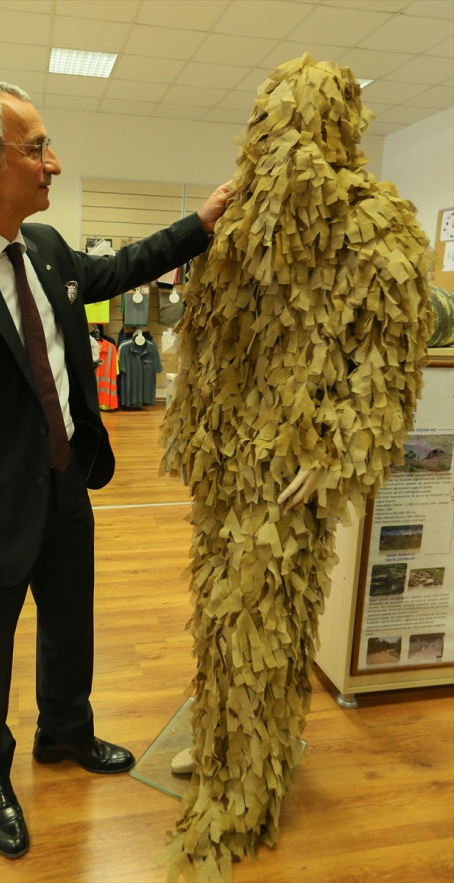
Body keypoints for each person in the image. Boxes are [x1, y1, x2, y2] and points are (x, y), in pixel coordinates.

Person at [0, 77, 233, 860]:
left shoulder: (46, 249)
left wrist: (199, 224)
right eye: (37, 148)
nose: (54, 164)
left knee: (72, 627)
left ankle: (65, 732)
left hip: (67, 485)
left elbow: (125, 268)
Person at [159, 55, 432, 881]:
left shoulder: (377, 223)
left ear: (342, 130)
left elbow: (388, 357)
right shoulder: (238, 217)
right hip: (229, 461)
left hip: (294, 469)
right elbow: (209, 330)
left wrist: (339, 451)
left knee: (269, 620)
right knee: (219, 616)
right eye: (272, 123)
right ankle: (218, 747)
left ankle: (253, 778)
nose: (285, 144)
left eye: (302, 124)